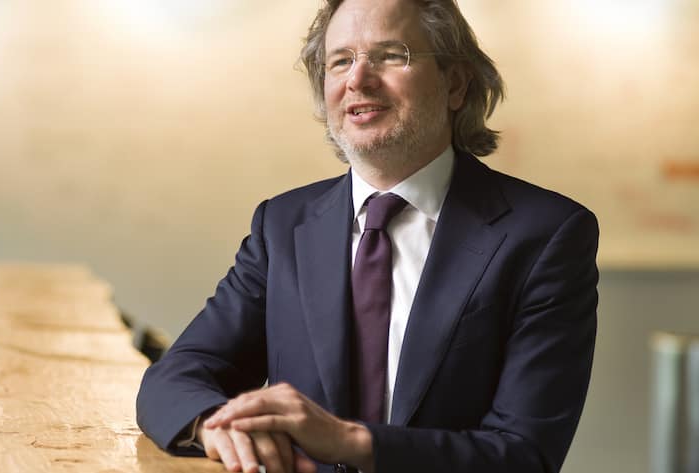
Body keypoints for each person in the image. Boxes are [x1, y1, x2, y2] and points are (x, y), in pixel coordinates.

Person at [136, 0, 599, 471]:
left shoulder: (546, 235)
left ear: (455, 84)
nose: (358, 79)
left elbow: (524, 454)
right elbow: (175, 379)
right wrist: (213, 425)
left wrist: (352, 442)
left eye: (390, 55)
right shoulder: (281, 225)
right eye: (341, 61)